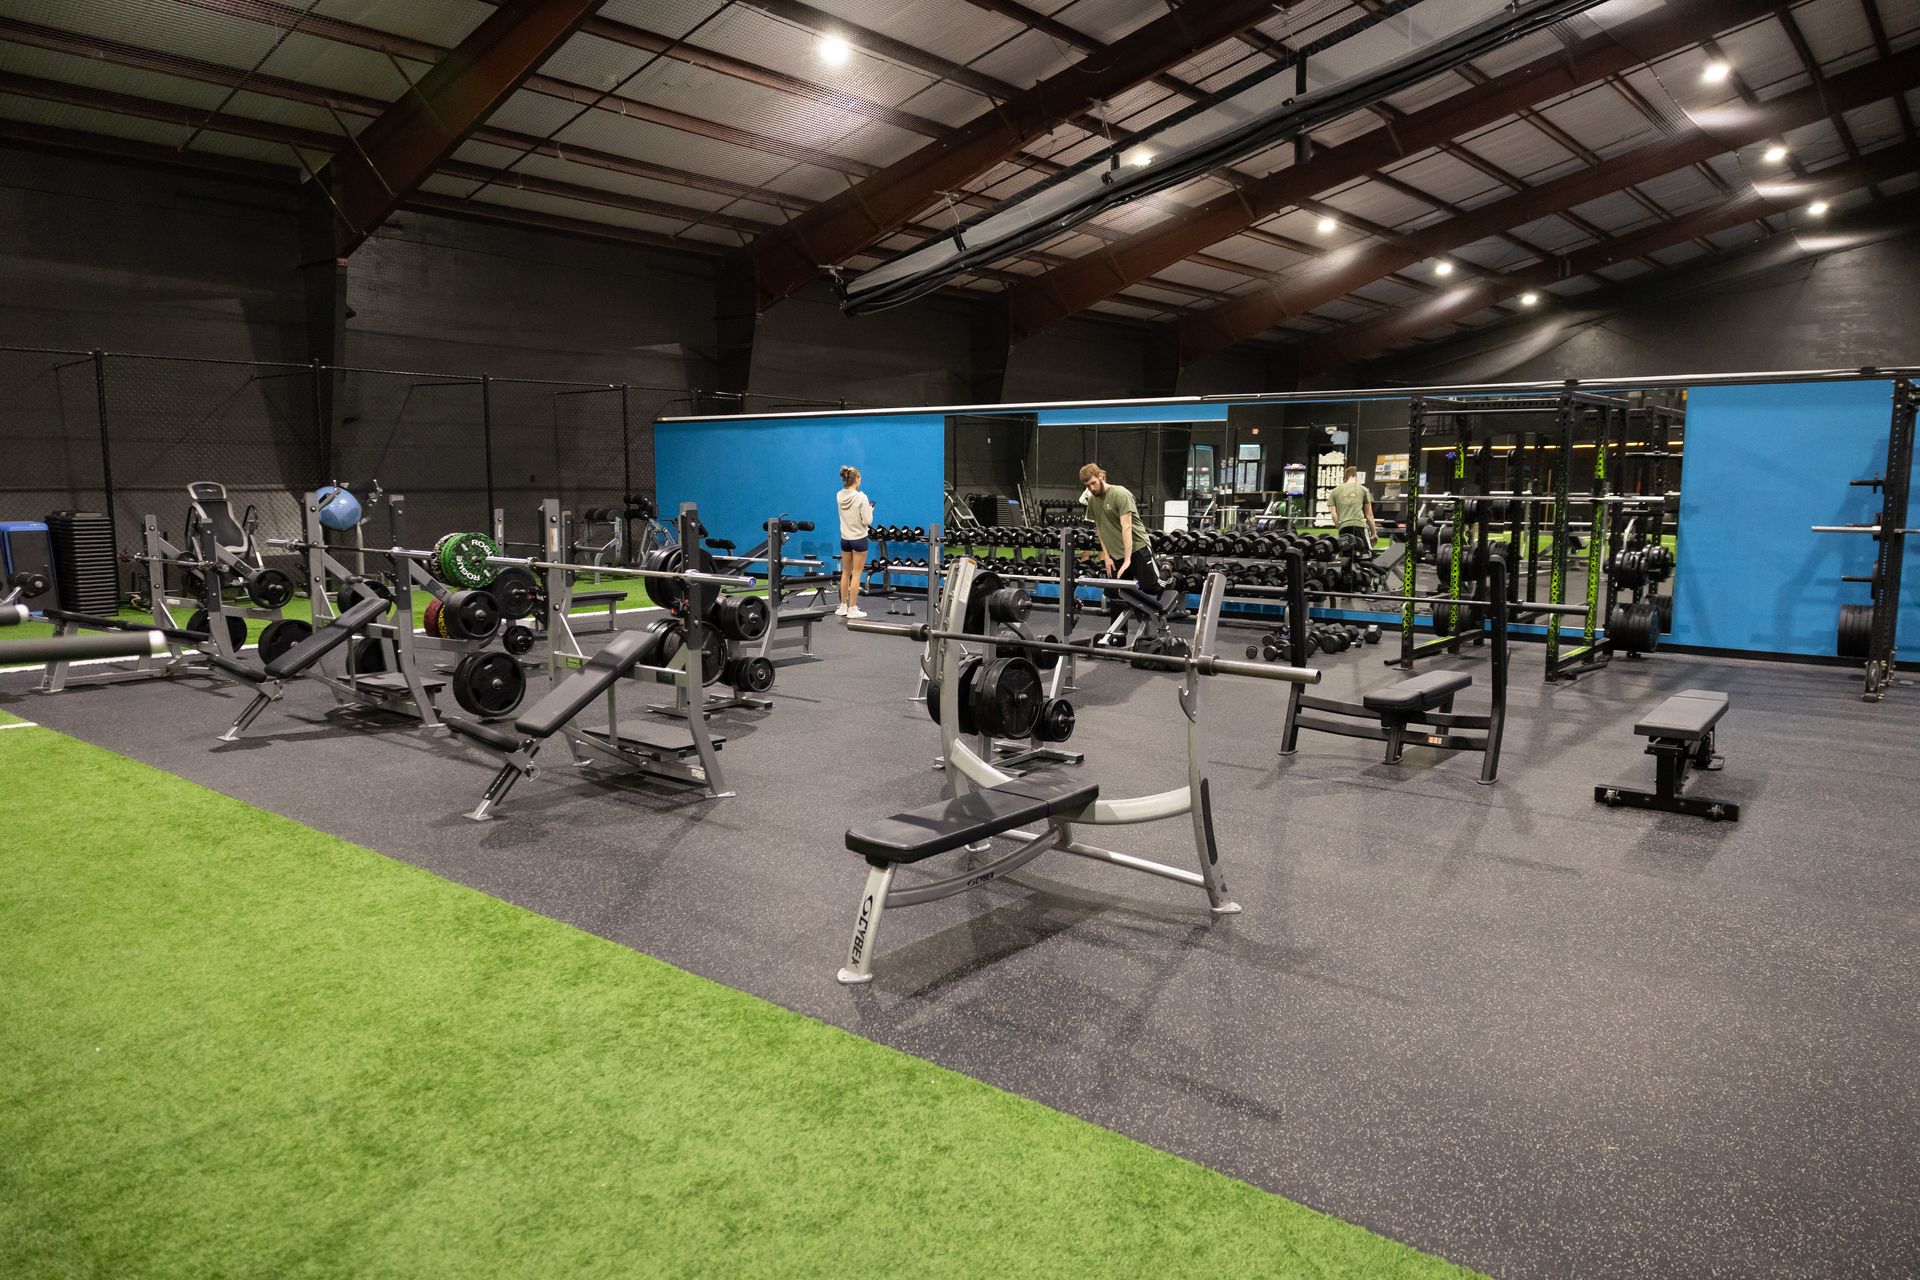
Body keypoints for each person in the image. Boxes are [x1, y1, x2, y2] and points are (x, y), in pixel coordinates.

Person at [1079, 462, 1161, 597]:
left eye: (1093, 483)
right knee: (1114, 593)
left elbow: (1127, 527)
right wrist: (1106, 556)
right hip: (1116, 554)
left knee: (1151, 587)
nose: (1092, 488)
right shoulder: (1092, 501)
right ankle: (1121, 617)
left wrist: (1128, 559)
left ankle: (1168, 572)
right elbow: (1100, 529)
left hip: (1137, 548)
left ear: (1101, 476)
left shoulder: (1120, 493)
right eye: (1088, 486)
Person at [835, 465, 874, 619]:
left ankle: (842, 606)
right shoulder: (861, 497)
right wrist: (870, 510)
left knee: (845, 572)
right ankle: (852, 608)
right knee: (856, 574)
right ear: (856, 479)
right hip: (859, 539)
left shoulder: (839, 495)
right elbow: (867, 521)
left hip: (845, 539)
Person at [1328, 463, 1378, 555]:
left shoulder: (1334, 491)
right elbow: (1369, 514)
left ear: (1346, 477)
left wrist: (1339, 526)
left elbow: (1334, 514)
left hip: (1343, 527)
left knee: (1346, 554)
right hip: (1359, 526)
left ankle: (1346, 569)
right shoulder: (1363, 489)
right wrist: (1374, 533)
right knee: (1367, 554)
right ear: (1355, 476)